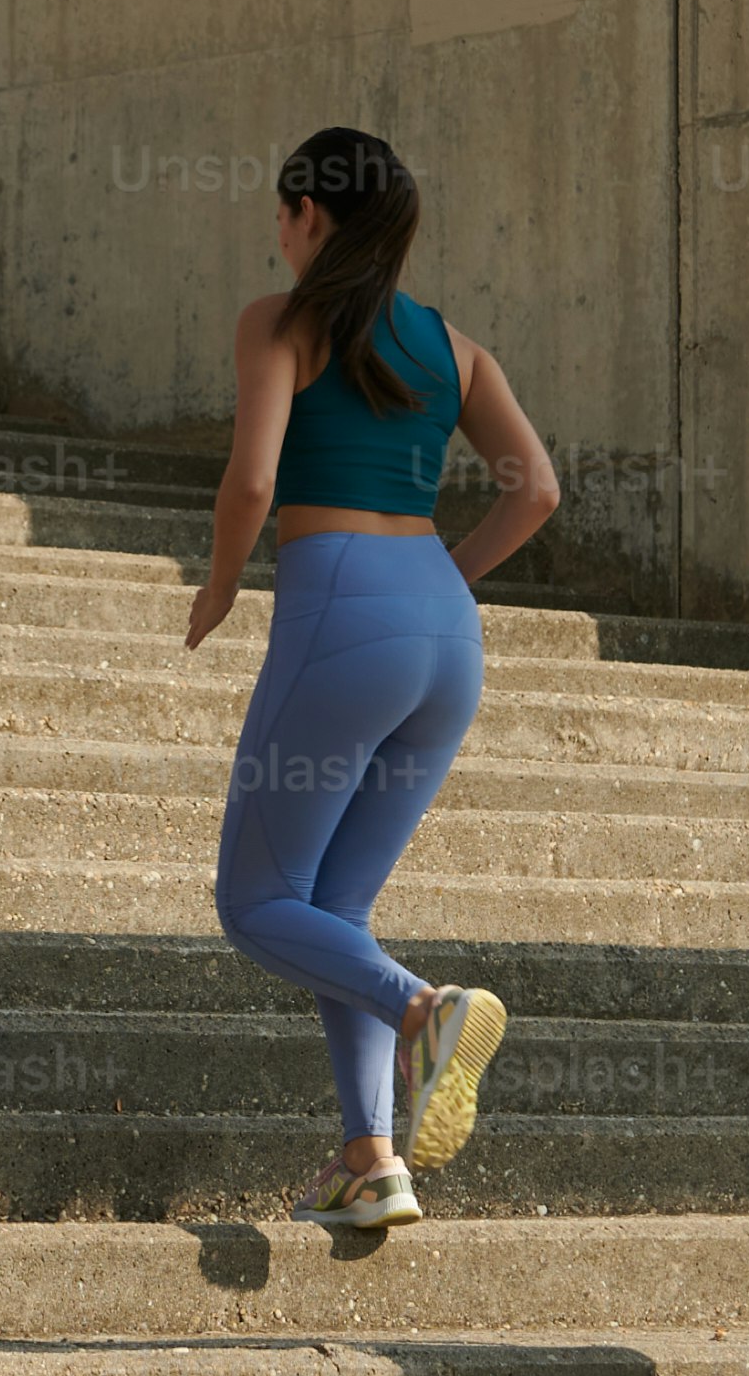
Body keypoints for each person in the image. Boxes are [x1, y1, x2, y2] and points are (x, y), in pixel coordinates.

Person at [187, 128, 560, 1231]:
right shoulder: (455, 347)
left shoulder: (277, 321)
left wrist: (217, 586)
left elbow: (251, 479)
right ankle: (370, 1162)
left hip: (343, 601)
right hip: (446, 629)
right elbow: (534, 488)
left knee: (254, 902)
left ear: (308, 213)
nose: (280, 235)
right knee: (334, 907)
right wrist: (440, 579)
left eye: (282, 214)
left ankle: (423, 1009)